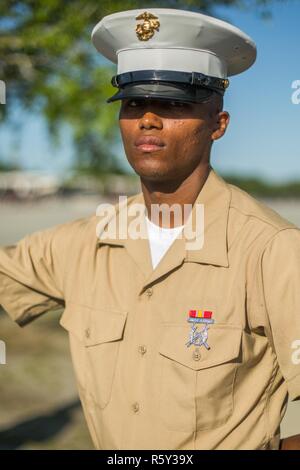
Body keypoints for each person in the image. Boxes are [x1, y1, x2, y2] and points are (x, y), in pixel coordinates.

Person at [0, 8, 300, 450]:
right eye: (134, 102)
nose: (148, 119)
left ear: (218, 125)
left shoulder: (271, 250)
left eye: (174, 103)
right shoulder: (86, 243)